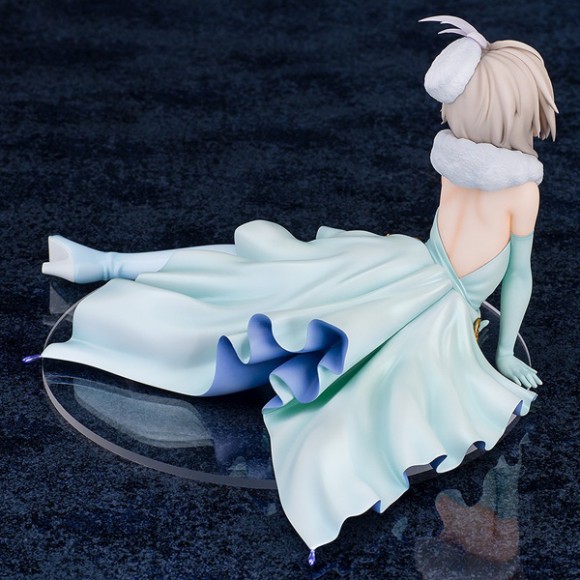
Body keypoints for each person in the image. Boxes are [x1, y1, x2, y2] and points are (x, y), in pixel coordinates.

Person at [39, 16, 556, 563]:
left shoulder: (482, 175)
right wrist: (499, 349)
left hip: (418, 284)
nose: (446, 115)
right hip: (416, 283)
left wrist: (494, 340)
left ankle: (109, 265)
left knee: (263, 284)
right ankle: (110, 265)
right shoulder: (491, 176)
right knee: (265, 283)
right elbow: (500, 266)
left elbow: (494, 264)